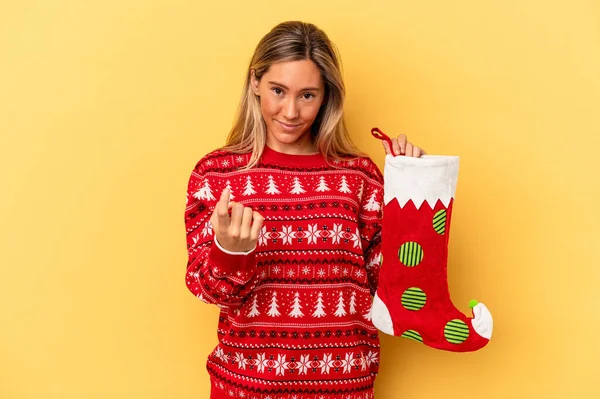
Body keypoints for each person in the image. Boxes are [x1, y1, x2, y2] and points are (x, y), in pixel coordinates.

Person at [184, 21, 425, 399]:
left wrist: (414, 194)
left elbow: (394, 287)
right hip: (246, 385)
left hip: (344, 386)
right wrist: (230, 252)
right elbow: (208, 291)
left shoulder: (358, 176)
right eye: (278, 91)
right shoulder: (217, 175)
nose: (291, 111)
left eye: (308, 95)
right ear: (255, 83)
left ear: (326, 96)